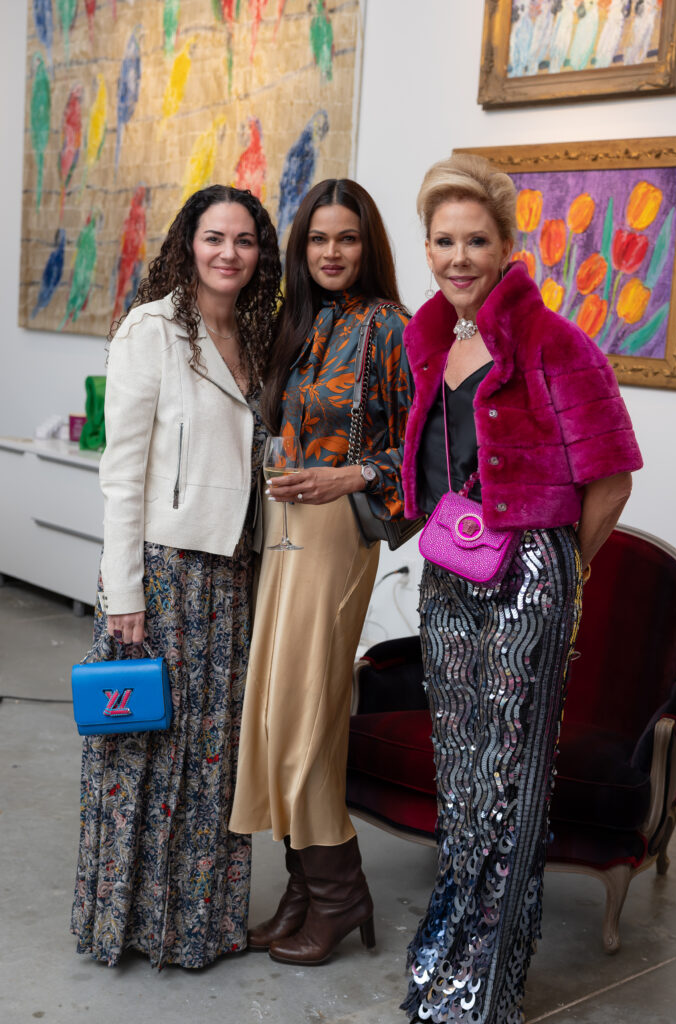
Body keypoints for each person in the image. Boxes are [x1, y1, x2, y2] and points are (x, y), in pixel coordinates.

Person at [399, 154, 643, 1022]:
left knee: (509, 780)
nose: (458, 257)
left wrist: (554, 575)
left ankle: (487, 985)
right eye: (442, 240)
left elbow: (610, 478)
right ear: (426, 247)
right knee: (460, 775)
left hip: (526, 579)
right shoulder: (429, 339)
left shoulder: (555, 344)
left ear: (507, 245)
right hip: (448, 574)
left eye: (475, 240)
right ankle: (450, 944)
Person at [70, 184, 282, 969]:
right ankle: (128, 926)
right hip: (161, 574)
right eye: (214, 237)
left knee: (212, 759)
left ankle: (200, 926)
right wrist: (119, 592)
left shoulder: (257, 335)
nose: (229, 253)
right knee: (144, 755)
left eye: (245, 241)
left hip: (230, 577)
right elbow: (121, 474)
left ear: (261, 254)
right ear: (188, 244)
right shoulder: (150, 329)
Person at [229, 178, 412, 964]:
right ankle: (304, 890)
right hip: (279, 533)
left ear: (367, 245)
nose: (332, 253)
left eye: (346, 238)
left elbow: (429, 453)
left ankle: (341, 895)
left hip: (338, 535)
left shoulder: (394, 330)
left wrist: (352, 475)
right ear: (302, 249)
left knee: (305, 717)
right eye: (318, 240)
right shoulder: (292, 326)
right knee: (272, 714)